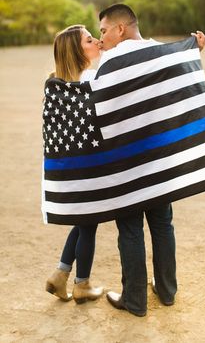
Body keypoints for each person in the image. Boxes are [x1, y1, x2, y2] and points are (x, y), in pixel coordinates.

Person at [98, 4, 205, 317]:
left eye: (104, 30)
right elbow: (182, 88)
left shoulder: (111, 60)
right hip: (161, 160)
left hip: (127, 162)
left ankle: (134, 299)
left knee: (130, 229)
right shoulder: (163, 51)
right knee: (163, 225)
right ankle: (167, 290)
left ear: (120, 28)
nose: (102, 37)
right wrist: (194, 49)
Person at [45, 25, 103, 304]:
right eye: (90, 39)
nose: (98, 41)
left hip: (70, 168)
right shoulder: (91, 78)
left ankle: (60, 274)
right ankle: (82, 284)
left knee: (84, 221)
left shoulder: (56, 85)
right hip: (91, 166)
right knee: (89, 222)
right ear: (79, 51)